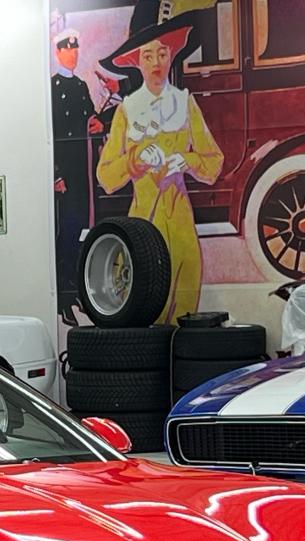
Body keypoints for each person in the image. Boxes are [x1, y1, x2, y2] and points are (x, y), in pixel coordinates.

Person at [96, 2, 223, 325]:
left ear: (172, 56)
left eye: (162, 53)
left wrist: (189, 160)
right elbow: (106, 175)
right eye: (148, 55)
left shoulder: (185, 103)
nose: (156, 62)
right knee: (145, 312)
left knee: (185, 310)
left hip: (181, 222)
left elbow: (213, 162)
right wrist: (135, 160)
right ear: (136, 61)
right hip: (142, 224)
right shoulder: (127, 110)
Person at [51, 28, 103, 310]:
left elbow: (91, 117)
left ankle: (75, 283)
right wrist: (55, 173)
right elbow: (49, 135)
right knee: (67, 230)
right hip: (66, 174)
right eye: (68, 48)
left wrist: (99, 124)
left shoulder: (81, 86)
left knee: (81, 226)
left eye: (76, 48)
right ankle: (64, 288)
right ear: (57, 52)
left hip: (83, 170)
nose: (73, 53)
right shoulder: (51, 88)